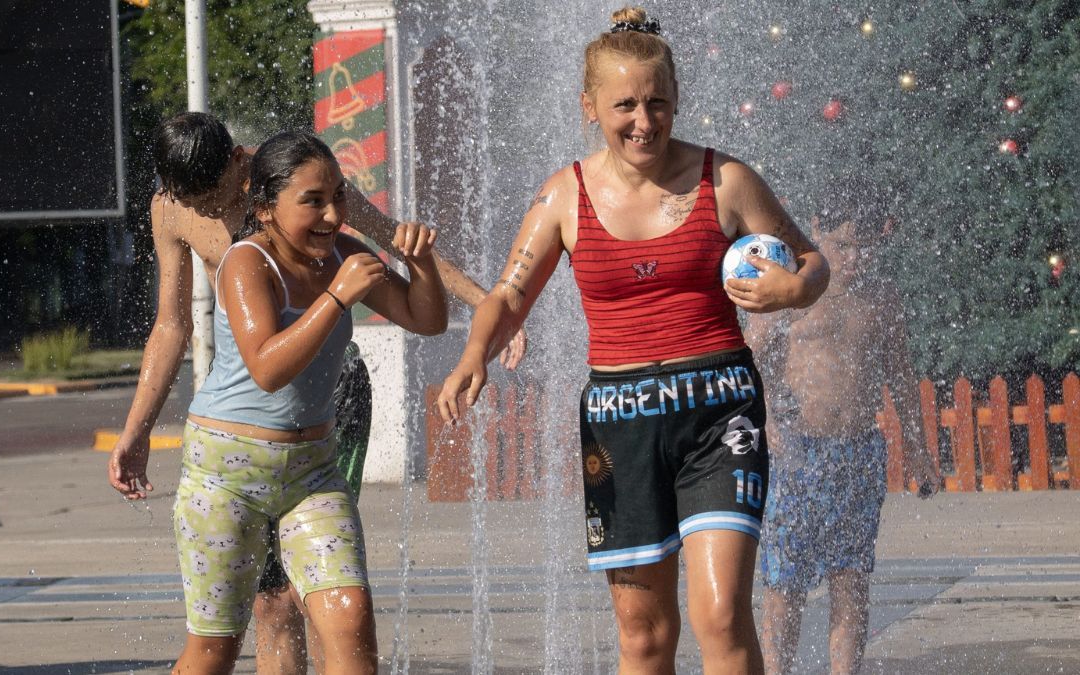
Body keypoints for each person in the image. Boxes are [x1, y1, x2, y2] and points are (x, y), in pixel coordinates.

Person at [436, 7, 829, 673]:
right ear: (589, 106)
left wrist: (793, 291)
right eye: (624, 106)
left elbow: (811, 261)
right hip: (620, 425)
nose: (643, 122)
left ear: (677, 101)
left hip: (719, 413)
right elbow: (508, 294)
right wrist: (474, 352)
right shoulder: (565, 196)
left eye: (658, 103)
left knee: (722, 615)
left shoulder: (725, 182)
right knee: (644, 636)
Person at [107, 112, 524, 672]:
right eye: (193, 202)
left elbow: (389, 238)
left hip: (327, 400)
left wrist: (484, 305)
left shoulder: (301, 182)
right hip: (248, 417)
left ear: (242, 170)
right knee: (263, 609)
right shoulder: (186, 216)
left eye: (215, 196)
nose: (206, 211)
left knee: (324, 605)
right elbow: (173, 326)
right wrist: (137, 429)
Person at [161, 130, 447, 673]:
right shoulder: (246, 263)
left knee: (350, 615)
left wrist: (423, 264)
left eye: (338, 196)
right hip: (226, 476)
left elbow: (426, 320)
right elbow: (267, 367)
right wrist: (337, 297)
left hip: (313, 473)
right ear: (265, 209)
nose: (333, 215)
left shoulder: (346, 254)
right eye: (312, 201)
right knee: (214, 650)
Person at [749, 193, 940, 675]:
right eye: (844, 245)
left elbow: (900, 378)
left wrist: (918, 453)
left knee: (851, 579)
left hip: (857, 452)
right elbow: (750, 360)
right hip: (796, 452)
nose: (857, 259)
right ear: (816, 230)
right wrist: (768, 417)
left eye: (866, 247)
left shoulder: (882, 299)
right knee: (783, 586)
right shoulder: (791, 290)